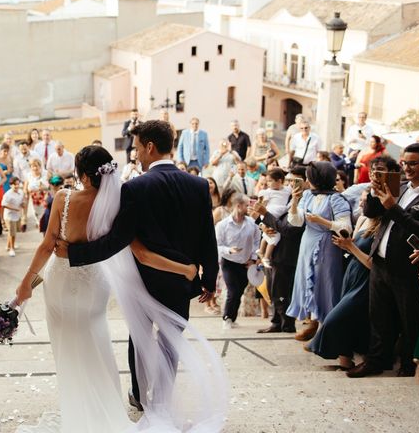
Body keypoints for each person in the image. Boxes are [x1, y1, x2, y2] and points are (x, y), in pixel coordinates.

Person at [16, 139, 226, 431]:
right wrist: (193, 270)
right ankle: (123, 405)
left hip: (61, 282)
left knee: (66, 346)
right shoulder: (117, 201)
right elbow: (138, 249)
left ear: (85, 175)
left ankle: (77, 407)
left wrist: (26, 283)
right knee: (97, 340)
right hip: (95, 285)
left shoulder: (63, 198)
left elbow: (46, 246)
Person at [348, 146, 419, 378]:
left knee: (408, 318)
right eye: (404, 163)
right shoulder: (398, 187)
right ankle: (376, 361)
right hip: (380, 261)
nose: (406, 168)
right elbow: (371, 213)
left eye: (413, 163)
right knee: (378, 316)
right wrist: (373, 191)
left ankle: (408, 365)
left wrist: (393, 207)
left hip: (406, 265)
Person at [307, 189, 377, 370]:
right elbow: (353, 246)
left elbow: (373, 264)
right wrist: (345, 246)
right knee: (351, 320)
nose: (360, 204)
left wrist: (350, 247)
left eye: (364, 201)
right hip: (352, 273)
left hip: (365, 278)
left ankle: (362, 359)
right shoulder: (362, 219)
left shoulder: (381, 226)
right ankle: (345, 361)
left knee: (337, 319)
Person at [287, 162, 352, 342]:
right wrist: (294, 200)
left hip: (327, 244)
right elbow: (296, 221)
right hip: (307, 242)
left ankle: (326, 328)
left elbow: (346, 227)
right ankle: (312, 321)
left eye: (309, 177)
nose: (307, 180)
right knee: (306, 281)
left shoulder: (336, 199)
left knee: (325, 284)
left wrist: (323, 221)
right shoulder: (307, 195)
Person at [251, 166, 307, 333]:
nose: (291, 184)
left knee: (282, 291)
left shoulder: (301, 200)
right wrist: (263, 225)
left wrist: (266, 216)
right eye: (290, 180)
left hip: (287, 253)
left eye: (295, 180)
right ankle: (277, 321)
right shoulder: (280, 196)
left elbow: (290, 229)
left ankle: (286, 323)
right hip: (274, 251)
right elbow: (262, 220)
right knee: (273, 289)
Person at [215, 193, 260, 329]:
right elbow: (216, 245)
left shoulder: (251, 223)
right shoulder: (223, 225)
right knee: (233, 290)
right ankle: (226, 318)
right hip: (228, 262)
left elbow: (257, 240)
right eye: (247, 205)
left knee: (240, 290)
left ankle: (232, 318)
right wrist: (229, 250)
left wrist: (253, 258)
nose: (249, 207)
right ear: (238, 206)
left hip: (245, 264)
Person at [256, 168, 291, 268]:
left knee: (270, 235)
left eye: (270, 181)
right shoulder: (267, 192)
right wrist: (262, 221)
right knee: (272, 236)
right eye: (267, 181)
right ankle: (265, 257)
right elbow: (262, 207)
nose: (268, 183)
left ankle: (262, 252)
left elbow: (291, 185)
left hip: (279, 213)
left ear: (279, 181)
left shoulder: (287, 190)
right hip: (270, 213)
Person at [2, 177, 25, 257]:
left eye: (18, 184)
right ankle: (12, 249)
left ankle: (8, 246)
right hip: (9, 216)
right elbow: (4, 204)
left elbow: (22, 201)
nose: (17, 186)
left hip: (17, 215)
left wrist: (22, 205)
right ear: (11, 185)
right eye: (15, 185)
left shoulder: (21, 192)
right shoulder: (7, 194)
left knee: (12, 232)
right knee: (12, 233)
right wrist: (14, 208)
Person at [24, 159, 49, 228]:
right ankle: (39, 223)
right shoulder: (28, 175)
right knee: (35, 212)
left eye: (36, 166)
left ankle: (43, 224)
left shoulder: (45, 174)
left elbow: (50, 186)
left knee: (44, 211)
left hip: (44, 196)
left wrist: (42, 188)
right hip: (33, 197)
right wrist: (26, 194)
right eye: (33, 166)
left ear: (40, 166)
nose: (35, 168)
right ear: (30, 167)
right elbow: (25, 186)